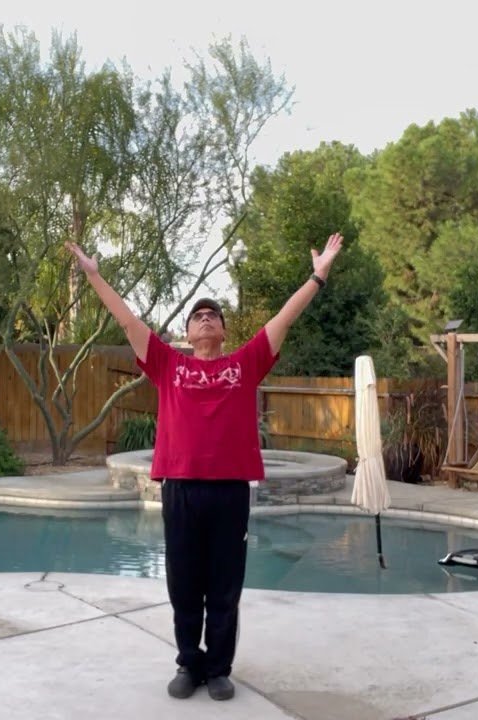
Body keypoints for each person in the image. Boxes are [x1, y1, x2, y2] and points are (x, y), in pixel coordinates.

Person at [66, 233, 342, 701]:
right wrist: (94, 275)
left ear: (223, 332)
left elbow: (283, 318)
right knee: (184, 584)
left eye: (213, 314)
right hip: (181, 489)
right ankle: (188, 664)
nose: (206, 317)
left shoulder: (245, 364)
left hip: (230, 490)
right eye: (198, 315)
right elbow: (126, 319)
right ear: (189, 332)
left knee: (225, 586)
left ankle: (218, 669)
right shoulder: (167, 365)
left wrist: (318, 277)